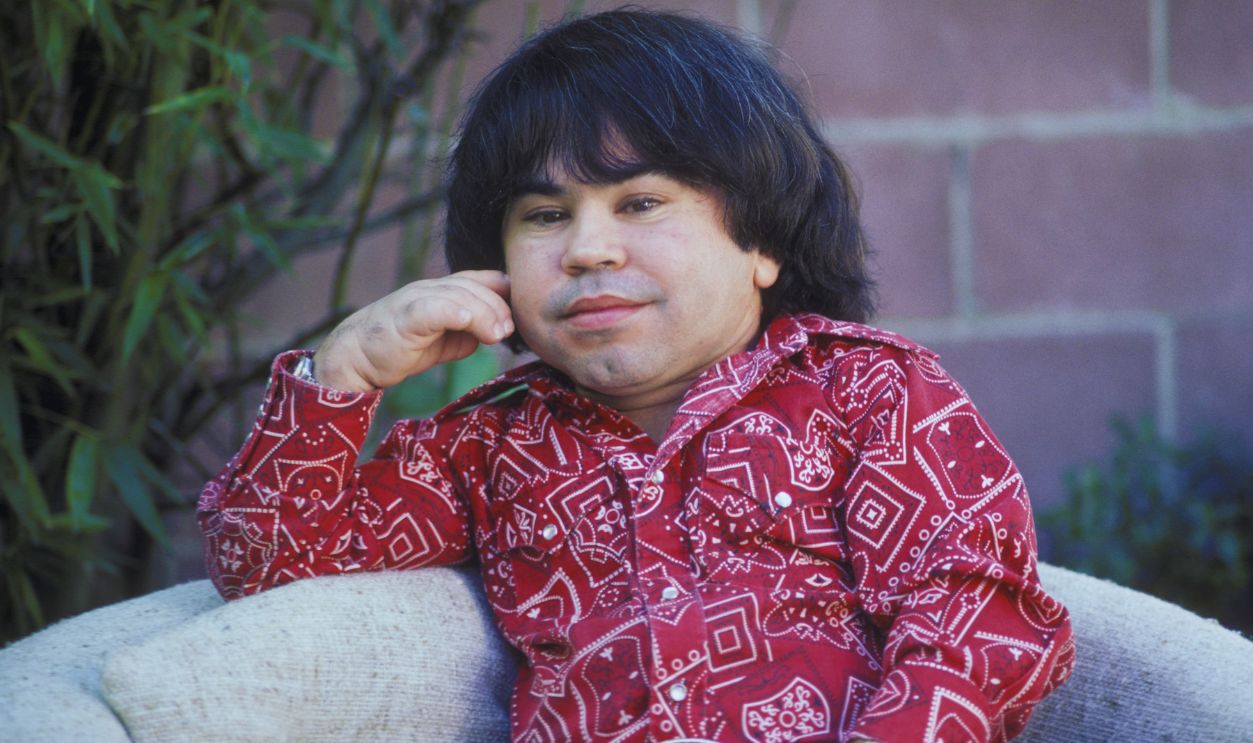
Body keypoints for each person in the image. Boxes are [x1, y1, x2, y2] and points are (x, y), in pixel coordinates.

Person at [199, 9, 1074, 742]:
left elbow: (974, 618)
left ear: (761, 242)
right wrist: (343, 373)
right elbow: (270, 563)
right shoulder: (487, 446)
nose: (587, 248)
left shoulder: (868, 394)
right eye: (544, 215)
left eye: (641, 203)